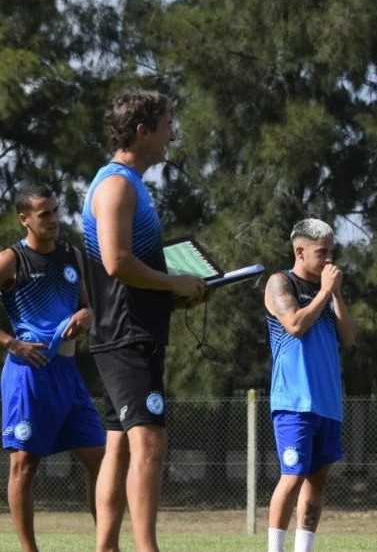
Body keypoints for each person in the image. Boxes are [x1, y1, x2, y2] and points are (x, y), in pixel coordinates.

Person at [82, 90, 208, 552]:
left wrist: (174, 291)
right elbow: (116, 262)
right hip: (127, 337)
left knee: (117, 446)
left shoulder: (126, 183)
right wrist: (173, 283)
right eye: (167, 123)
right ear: (143, 130)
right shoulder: (116, 185)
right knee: (150, 443)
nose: (172, 133)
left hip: (131, 334)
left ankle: (106, 547)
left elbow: (131, 268)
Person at [0, 183, 106, 552]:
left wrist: (86, 316)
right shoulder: (11, 260)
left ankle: (105, 545)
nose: (54, 219)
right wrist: (11, 342)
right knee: (25, 466)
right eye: (44, 213)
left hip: (68, 374)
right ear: (24, 218)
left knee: (101, 459)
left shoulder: (72, 255)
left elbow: (89, 308)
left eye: (56, 211)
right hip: (29, 376)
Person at [263, 219, 357, 552]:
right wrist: (324, 293)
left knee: (316, 484)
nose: (330, 260)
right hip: (294, 403)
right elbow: (295, 325)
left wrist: (336, 295)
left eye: (332, 252)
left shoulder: (328, 293)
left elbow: (349, 338)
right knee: (292, 477)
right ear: (300, 251)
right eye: (322, 253)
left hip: (327, 403)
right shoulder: (280, 283)